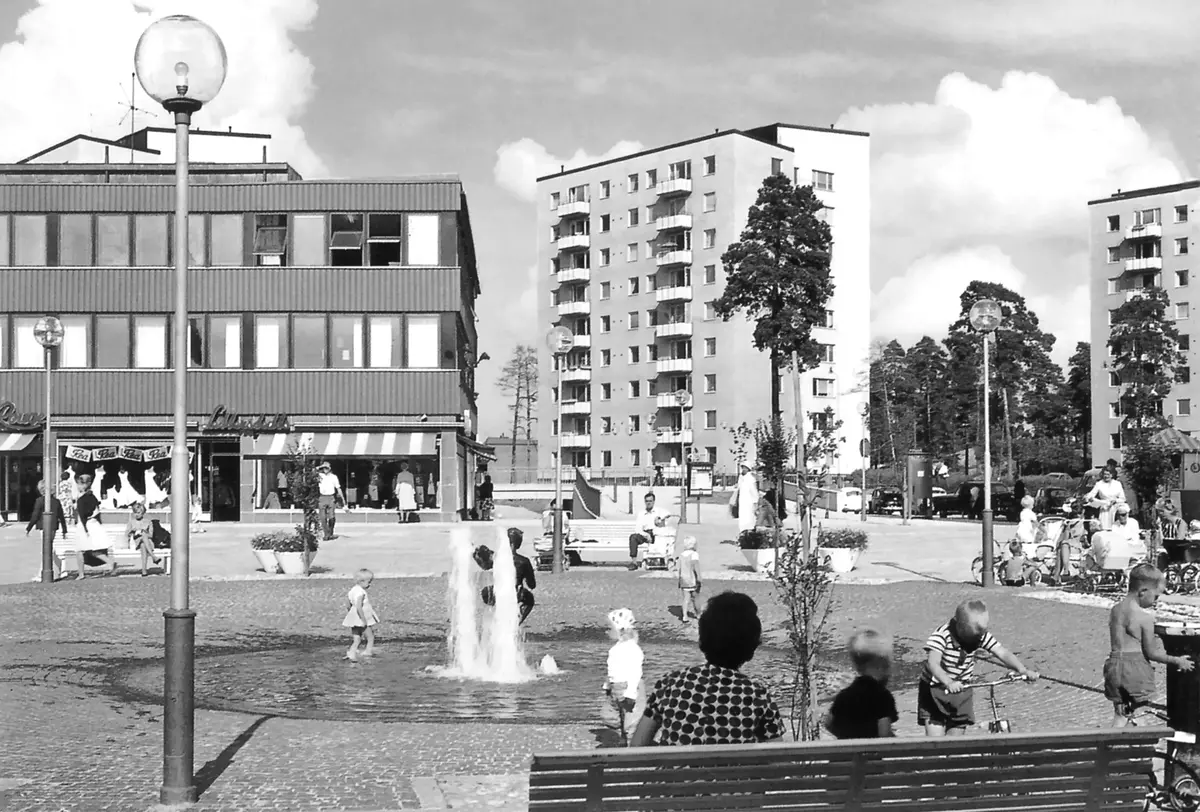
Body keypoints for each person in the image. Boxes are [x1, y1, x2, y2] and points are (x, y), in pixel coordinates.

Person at [631, 591, 784, 746]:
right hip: (731, 763)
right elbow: (778, 755)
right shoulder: (757, 695)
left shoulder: (670, 684)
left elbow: (637, 745)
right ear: (751, 647)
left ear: (703, 638)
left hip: (675, 763)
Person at [919, 599, 1039, 736]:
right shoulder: (942, 635)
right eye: (974, 636)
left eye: (981, 635)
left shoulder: (980, 635)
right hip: (935, 688)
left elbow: (1002, 653)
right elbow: (933, 663)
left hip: (962, 689)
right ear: (960, 626)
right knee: (936, 740)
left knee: (955, 739)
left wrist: (1022, 670)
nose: (978, 639)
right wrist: (948, 682)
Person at [1107, 564, 1194, 726]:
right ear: (1143, 591)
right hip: (1135, 669)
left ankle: (1110, 741)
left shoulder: (1116, 610)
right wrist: (1177, 660)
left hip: (1113, 666)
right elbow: (1151, 653)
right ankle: (1145, 741)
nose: (1156, 601)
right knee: (1140, 713)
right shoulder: (1145, 618)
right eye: (1156, 596)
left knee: (1121, 714)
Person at [824, 628, 898, 739]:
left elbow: (828, 724)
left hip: (847, 749)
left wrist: (846, 737)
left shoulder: (844, 695)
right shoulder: (882, 696)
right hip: (872, 750)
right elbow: (884, 733)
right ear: (880, 664)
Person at [603, 608, 644, 746]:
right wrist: (607, 684)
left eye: (609, 628)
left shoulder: (632, 648)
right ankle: (623, 736)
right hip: (615, 687)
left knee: (631, 719)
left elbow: (635, 672)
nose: (606, 632)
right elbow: (612, 668)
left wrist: (631, 692)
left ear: (621, 629)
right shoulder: (615, 648)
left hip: (629, 687)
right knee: (611, 716)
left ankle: (632, 744)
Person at [342, 568, 380, 662]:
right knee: (370, 637)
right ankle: (368, 652)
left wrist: (351, 614)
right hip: (362, 616)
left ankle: (351, 653)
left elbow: (348, 604)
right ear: (362, 581)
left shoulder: (352, 590)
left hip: (354, 616)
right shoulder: (361, 593)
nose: (370, 584)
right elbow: (359, 606)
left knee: (357, 638)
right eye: (369, 582)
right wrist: (363, 620)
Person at [628, 492, 671, 571]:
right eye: (647, 501)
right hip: (645, 533)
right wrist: (646, 535)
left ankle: (663, 561)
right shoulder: (641, 514)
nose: (648, 503)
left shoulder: (658, 511)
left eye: (650, 501)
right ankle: (634, 563)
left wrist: (660, 518)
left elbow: (668, 514)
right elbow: (638, 529)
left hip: (656, 533)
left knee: (663, 537)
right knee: (633, 537)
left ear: (653, 501)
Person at [125, 502, 162, 577]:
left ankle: (144, 571)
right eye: (135, 512)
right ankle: (153, 557)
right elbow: (126, 534)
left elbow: (151, 535)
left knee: (143, 543)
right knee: (142, 540)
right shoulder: (131, 522)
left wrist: (143, 532)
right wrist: (132, 531)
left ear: (143, 513)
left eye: (138, 513)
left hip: (148, 542)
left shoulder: (148, 522)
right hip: (136, 542)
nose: (136, 514)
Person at [1085, 466, 1127, 531]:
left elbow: (1123, 498)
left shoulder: (1117, 484)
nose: (1106, 476)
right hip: (1104, 509)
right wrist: (1089, 498)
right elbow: (1090, 495)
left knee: (1116, 529)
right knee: (1105, 528)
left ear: (1112, 475)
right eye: (1104, 474)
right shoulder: (1099, 484)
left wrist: (1115, 501)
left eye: (1108, 474)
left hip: (1115, 509)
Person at [317, 462, 343, 541]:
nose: (325, 469)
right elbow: (312, 471)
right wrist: (320, 466)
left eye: (326, 468)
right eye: (324, 468)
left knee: (331, 517)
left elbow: (338, 488)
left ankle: (330, 532)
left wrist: (342, 499)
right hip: (322, 497)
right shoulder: (320, 476)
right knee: (323, 517)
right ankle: (326, 534)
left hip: (331, 497)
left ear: (330, 468)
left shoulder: (333, 477)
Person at [677, 536, 701, 623]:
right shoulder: (694, 554)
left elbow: (679, 568)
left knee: (685, 599)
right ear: (693, 545)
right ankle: (698, 614)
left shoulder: (681, 555)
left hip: (683, 578)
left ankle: (685, 615)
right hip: (692, 579)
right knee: (695, 597)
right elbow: (695, 566)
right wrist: (699, 577)